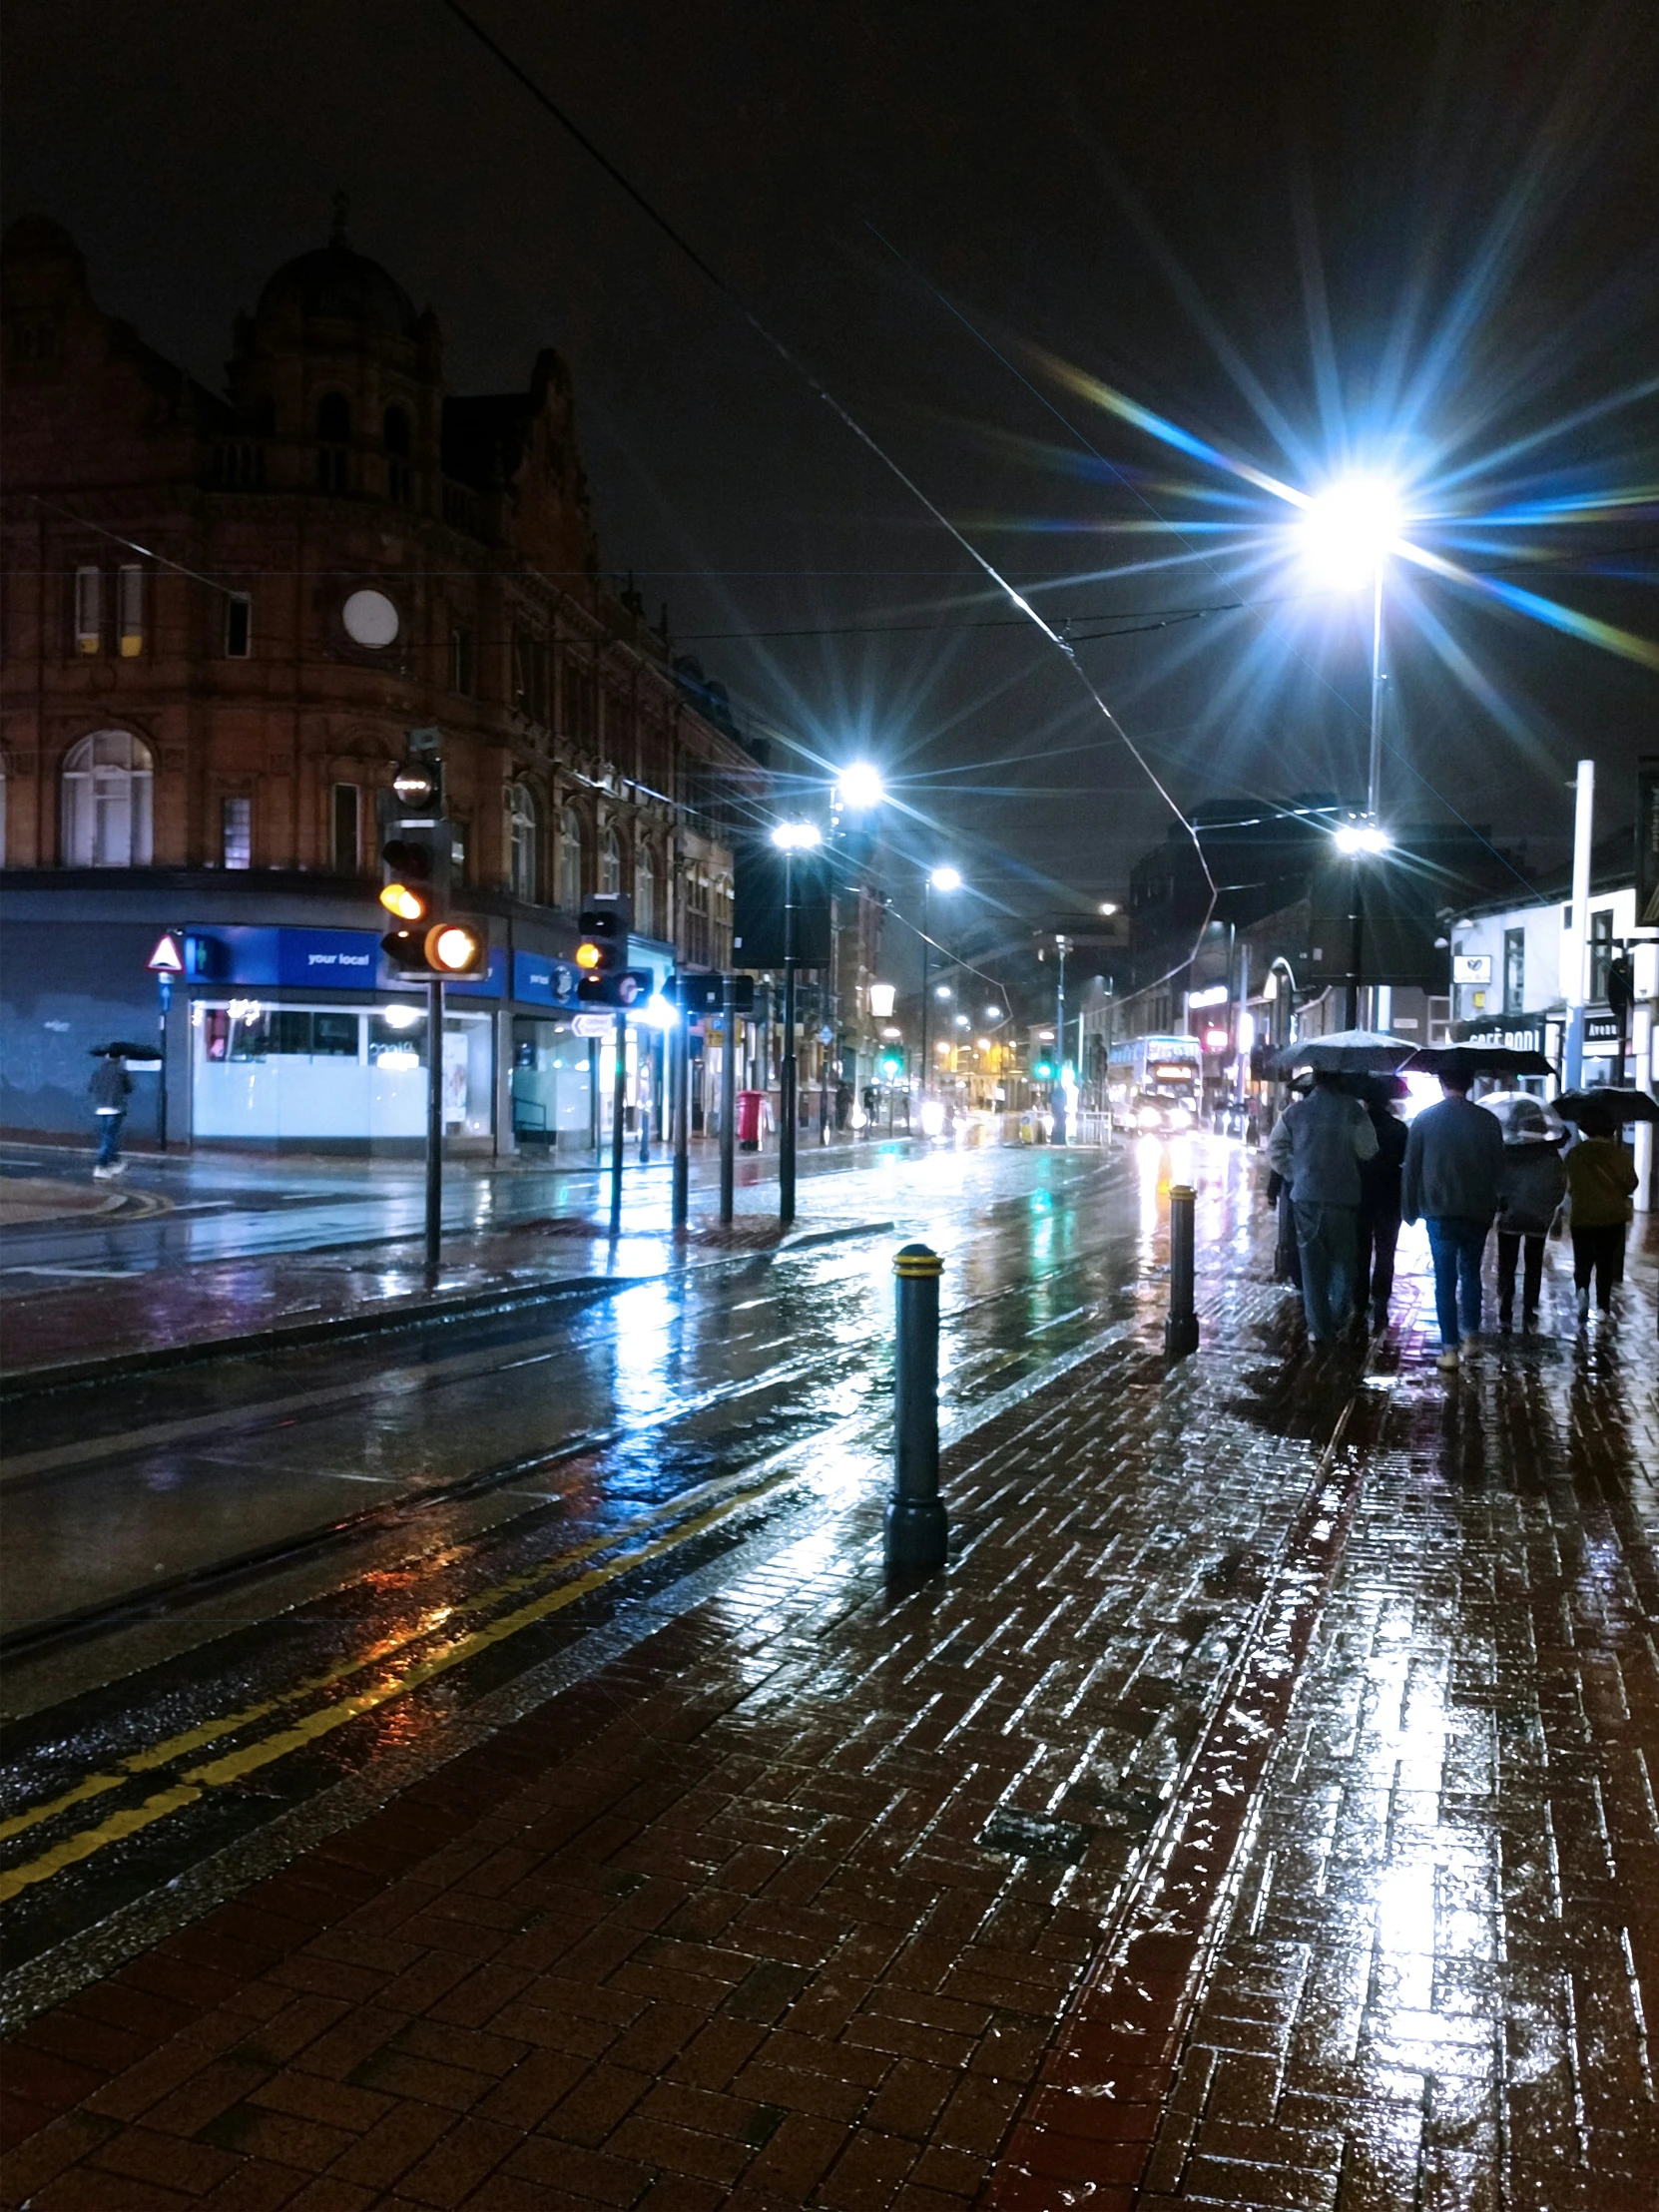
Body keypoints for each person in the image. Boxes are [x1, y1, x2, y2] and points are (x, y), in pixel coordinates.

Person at [1401, 1069, 1506, 1371]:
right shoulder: (1488, 1121)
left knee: (1445, 1281)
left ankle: (1449, 1349)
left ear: (1442, 1083)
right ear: (1469, 1084)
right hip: (1477, 1210)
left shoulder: (1424, 1119)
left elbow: (1411, 1167)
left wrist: (1408, 1208)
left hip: (1439, 1210)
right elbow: (1499, 1168)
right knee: (1471, 1272)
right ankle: (1472, 1337)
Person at [1267, 1069, 1378, 1348]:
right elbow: (1368, 1150)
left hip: (1306, 1197)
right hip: (1344, 1197)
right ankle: (1339, 1315)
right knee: (1344, 1262)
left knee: (1312, 1266)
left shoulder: (1294, 1112)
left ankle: (1319, 1329)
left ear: (1315, 1080)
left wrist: (1297, 1172)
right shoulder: (1353, 1111)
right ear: (1341, 1079)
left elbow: (1275, 1149)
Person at [1494, 1101, 1566, 1332]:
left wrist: (1500, 1204)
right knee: (1534, 1263)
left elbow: (1499, 1183)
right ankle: (1530, 1308)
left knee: (1507, 1262)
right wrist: (1550, 1209)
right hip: (1538, 1218)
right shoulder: (1552, 1156)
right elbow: (1558, 1186)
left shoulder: (1509, 1152)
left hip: (1510, 1216)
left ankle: (1505, 1305)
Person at [1563, 1110, 1638, 1323]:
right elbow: (1632, 1182)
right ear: (1611, 1130)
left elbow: (1567, 1185)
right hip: (1611, 1217)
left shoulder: (1575, 1154)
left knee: (1582, 1260)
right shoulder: (1619, 1154)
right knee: (1605, 1263)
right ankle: (1603, 1309)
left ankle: (1582, 1293)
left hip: (1582, 1216)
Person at [1356, 1081, 1407, 1333]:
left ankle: (1358, 1299)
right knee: (1386, 1252)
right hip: (1390, 1196)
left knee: (1361, 1250)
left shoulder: (1355, 1126)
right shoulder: (1399, 1129)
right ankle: (1381, 1300)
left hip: (1360, 1195)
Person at [89, 1049, 132, 1178]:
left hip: (101, 1108)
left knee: (108, 1136)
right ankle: (101, 1166)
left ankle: (114, 1162)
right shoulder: (121, 1072)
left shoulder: (98, 1072)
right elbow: (129, 1088)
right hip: (115, 1108)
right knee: (108, 1138)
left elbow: (91, 1088)